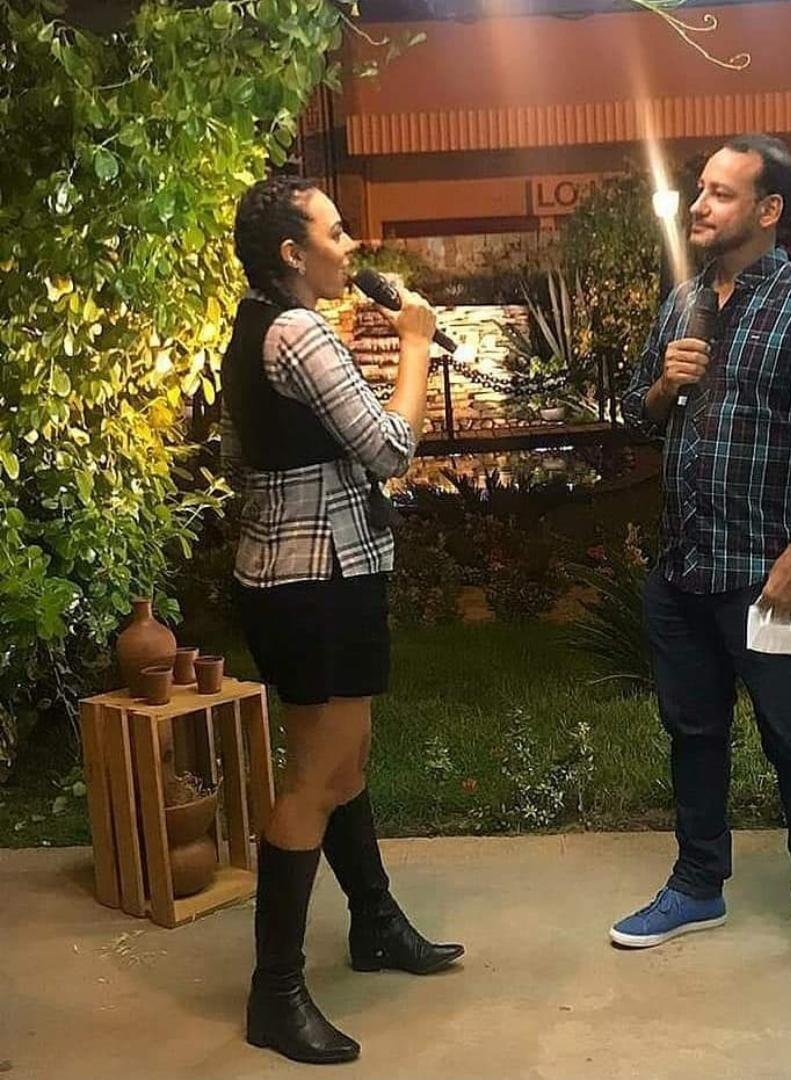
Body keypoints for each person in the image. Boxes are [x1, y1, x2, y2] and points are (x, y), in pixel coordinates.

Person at [613, 135, 791, 995]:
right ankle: (698, 886)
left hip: (768, 578)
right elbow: (638, 413)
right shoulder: (683, 303)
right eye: (700, 189)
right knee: (693, 735)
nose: (699, 205)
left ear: (768, 210)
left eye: (721, 193)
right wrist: (663, 386)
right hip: (683, 571)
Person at [221, 175, 464, 1065]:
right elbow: (391, 448)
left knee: (345, 759)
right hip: (314, 579)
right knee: (315, 778)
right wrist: (415, 345)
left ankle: (374, 922)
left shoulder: (256, 328)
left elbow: (251, 454)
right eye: (335, 231)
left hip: (309, 572)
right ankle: (274, 995)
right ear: (293, 254)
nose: (352, 244)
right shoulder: (298, 332)